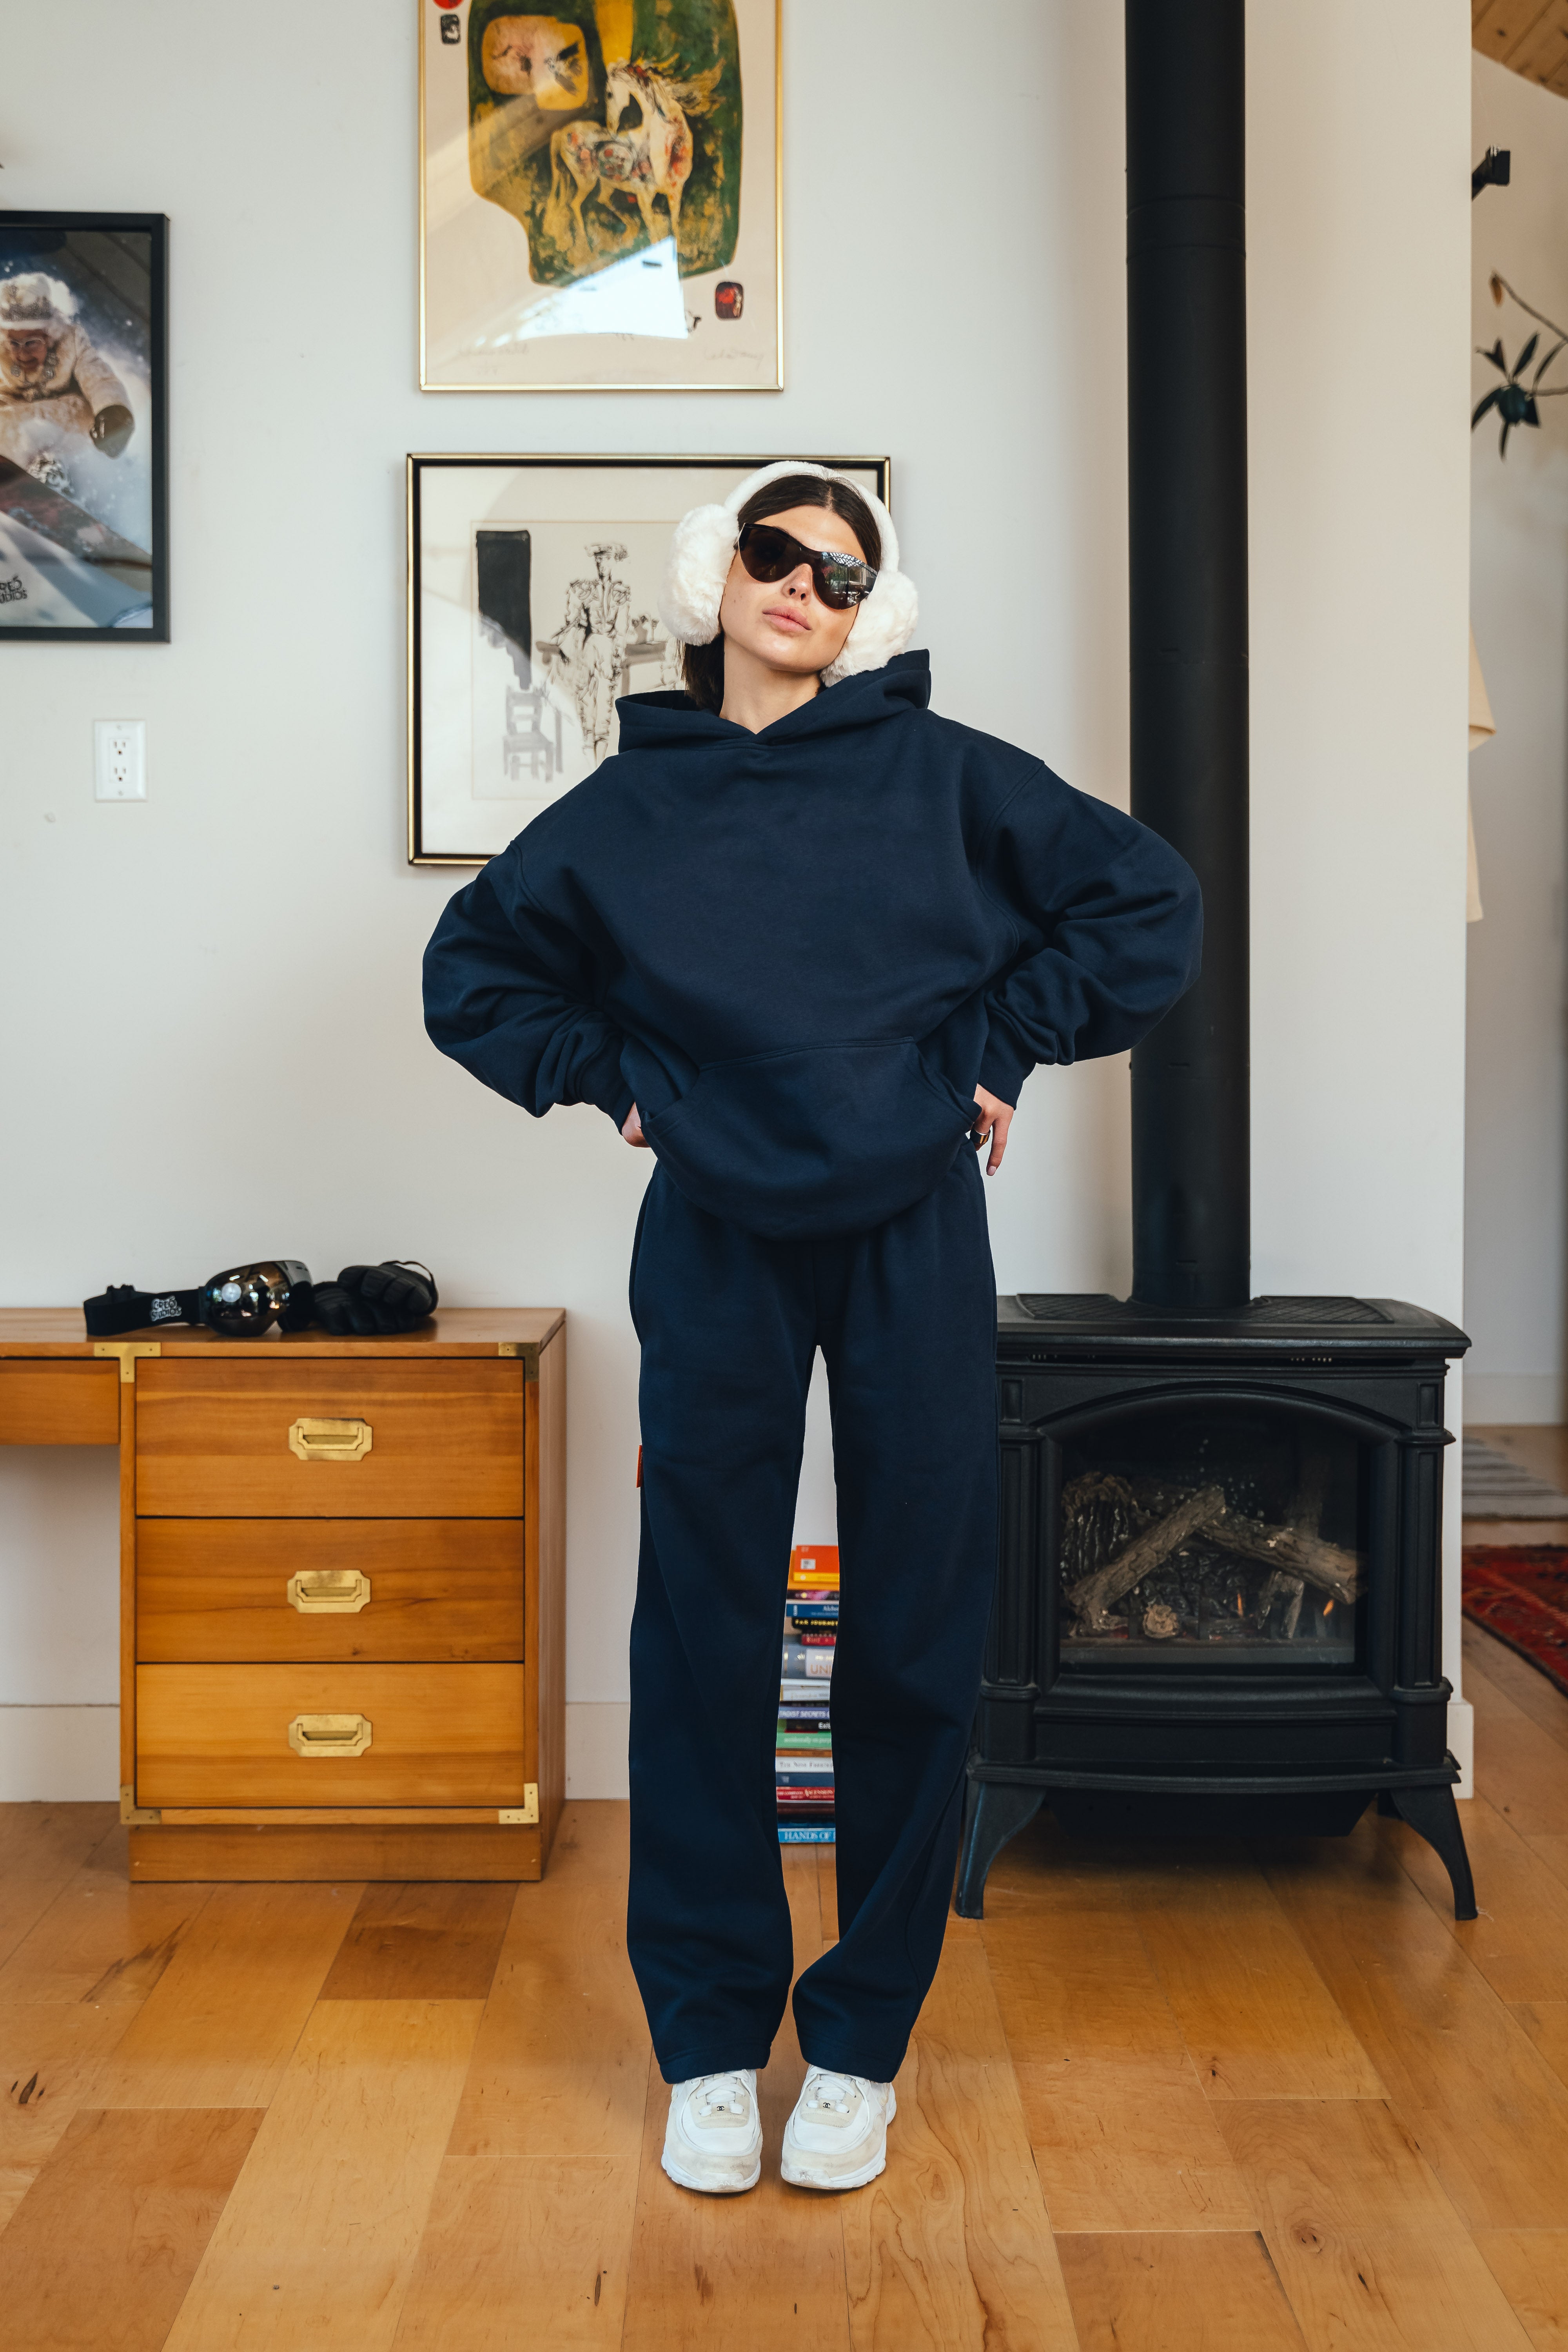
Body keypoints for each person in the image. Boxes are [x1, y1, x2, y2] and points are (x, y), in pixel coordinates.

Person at [423, 460, 1201, 2197]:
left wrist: (1001, 1043)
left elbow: (1145, 902)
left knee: (912, 1627)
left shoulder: (947, 777)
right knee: (703, 1628)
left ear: (869, 614)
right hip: (716, 1228)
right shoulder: (629, 808)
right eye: (777, 555)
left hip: (913, 1224)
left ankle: (857, 2046)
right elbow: (470, 973)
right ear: (717, 576)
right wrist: (613, 1078)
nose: (804, 587)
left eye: (843, 575)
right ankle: (709, 2043)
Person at [0, 273, 134, 470]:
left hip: (65, 422)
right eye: (15, 343)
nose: (22, 354)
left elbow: (98, 379)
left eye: (31, 343)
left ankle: (53, 471)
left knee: (71, 418)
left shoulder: (71, 343)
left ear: (49, 337)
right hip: (12, 423)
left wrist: (113, 412)